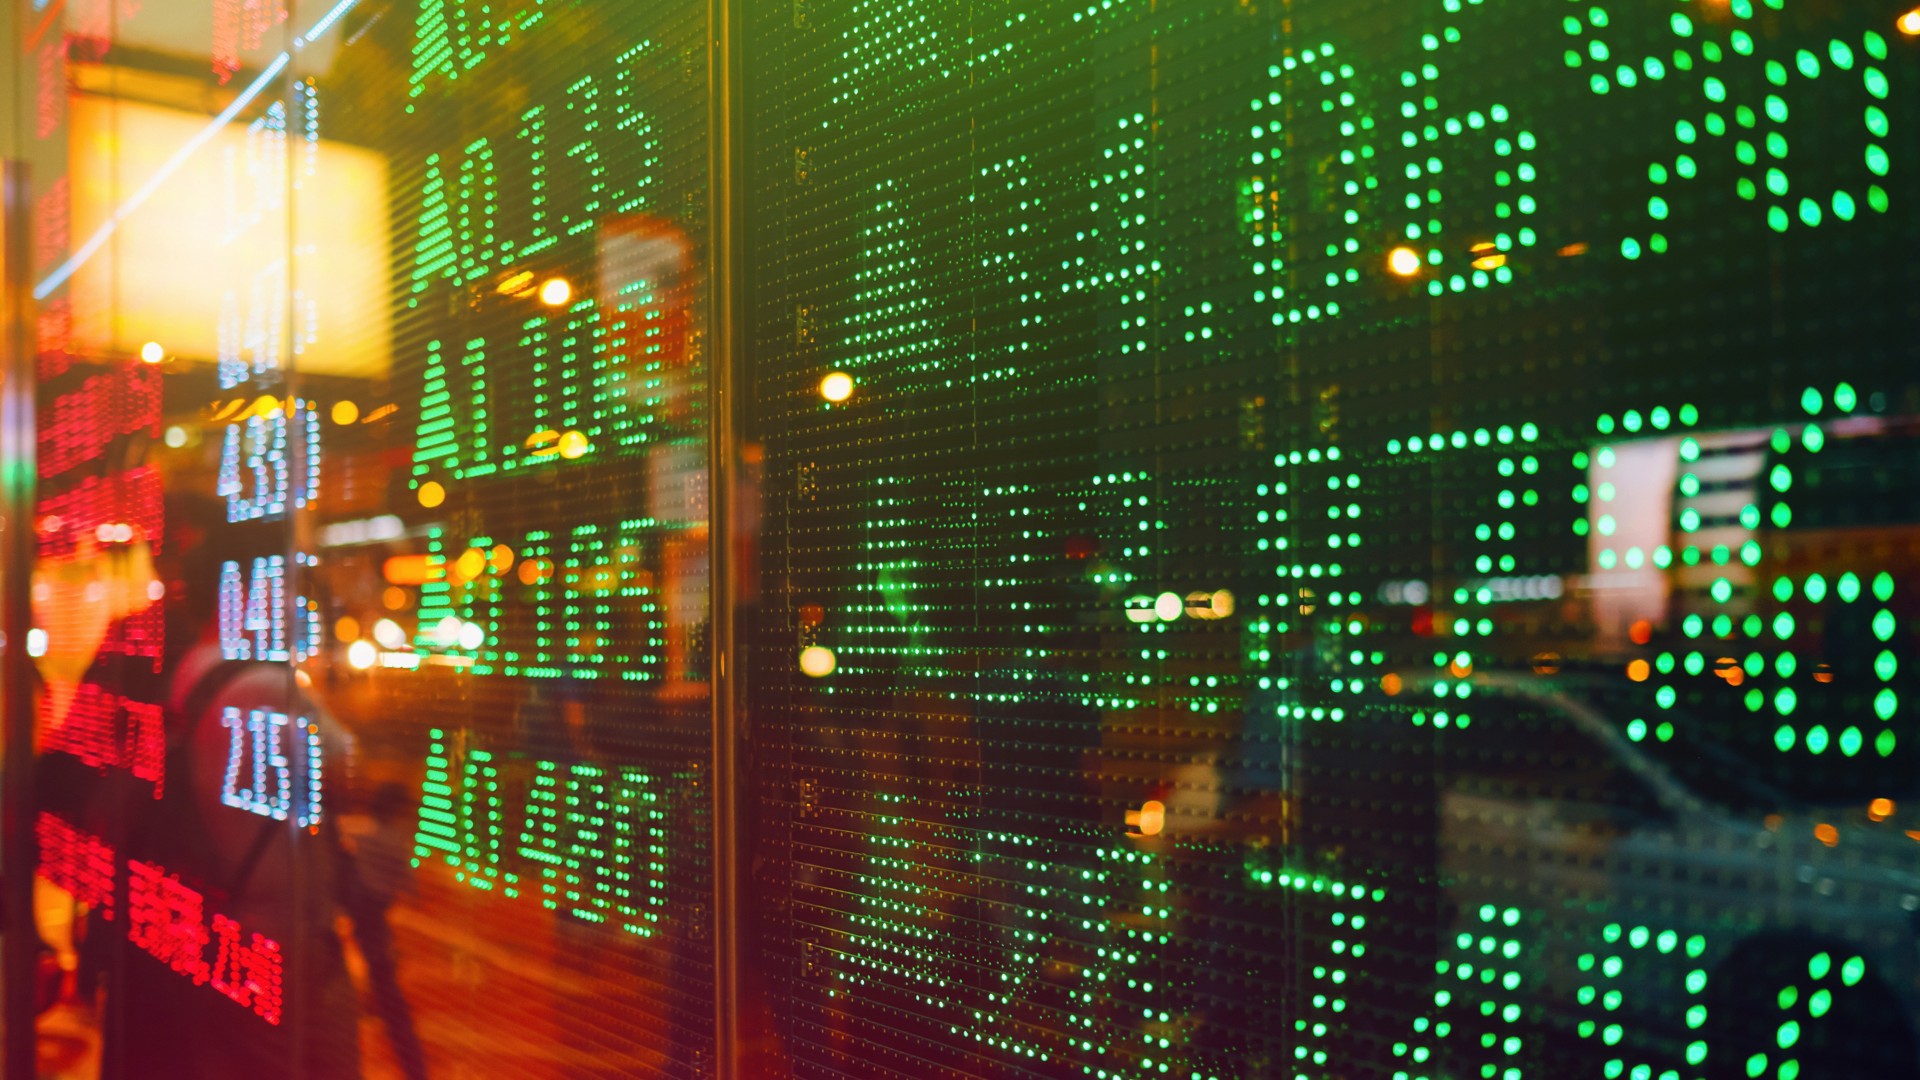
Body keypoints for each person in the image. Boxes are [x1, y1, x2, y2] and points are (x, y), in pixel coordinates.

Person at [341, 783, 429, 1080]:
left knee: (376, 964)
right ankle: (413, 1064)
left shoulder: (358, 829)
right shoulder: (395, 841)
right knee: (386, 980)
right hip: (373, 913)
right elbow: (410, 885)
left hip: (357, 907)